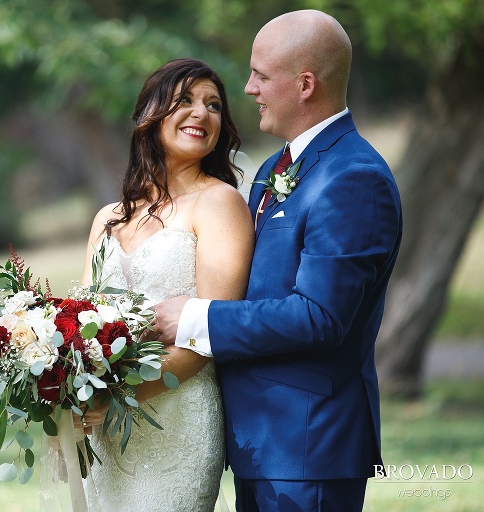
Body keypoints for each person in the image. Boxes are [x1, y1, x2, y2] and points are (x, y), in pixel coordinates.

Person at [152, 10, 403, 512]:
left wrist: (196, 318)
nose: (249, 89)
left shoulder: (354, 178)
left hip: (309, 444)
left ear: (305, 85)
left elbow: (320, 316)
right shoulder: (275, 167)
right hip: (261, 442)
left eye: (261, 76)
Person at [79, 58, 255, 511]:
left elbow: (209, 336)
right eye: (185, 100)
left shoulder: (220, 203)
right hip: (105, 431)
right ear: (150, 114)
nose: (201, 113)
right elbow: (80, 325)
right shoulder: (108, 218)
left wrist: (118, 397)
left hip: (179, 420)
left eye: (213, 105)